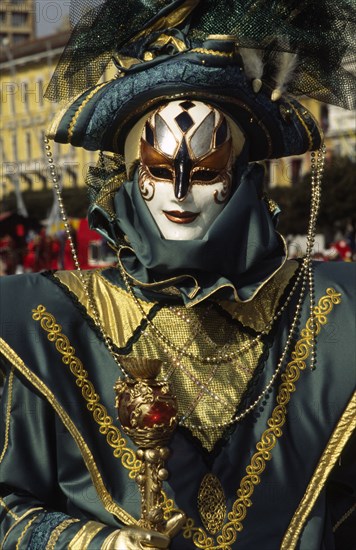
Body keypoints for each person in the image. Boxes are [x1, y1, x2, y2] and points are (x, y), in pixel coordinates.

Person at [0, 1, 355, 548]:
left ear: (239, 176)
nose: (182, 192)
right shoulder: (48, 324)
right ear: (129, 170)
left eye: (208, 171)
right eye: (161, 170)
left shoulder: (329, 313)